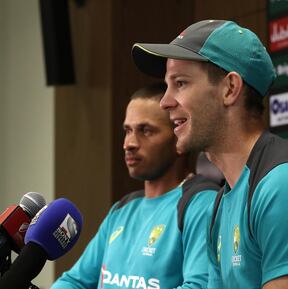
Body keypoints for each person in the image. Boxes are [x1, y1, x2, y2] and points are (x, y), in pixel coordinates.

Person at [132, 19, 288, 289]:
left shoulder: (278, 185)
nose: (165, 102)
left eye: (180, 83)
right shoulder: (221, 203)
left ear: (230, 89)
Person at [50, 83, 218, 289]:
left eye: (145, 131)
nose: (129, 143)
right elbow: (74, 282)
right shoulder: (123, 209)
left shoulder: (202, 203)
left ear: (179, 137)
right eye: (127, 131)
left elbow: (199, 286)